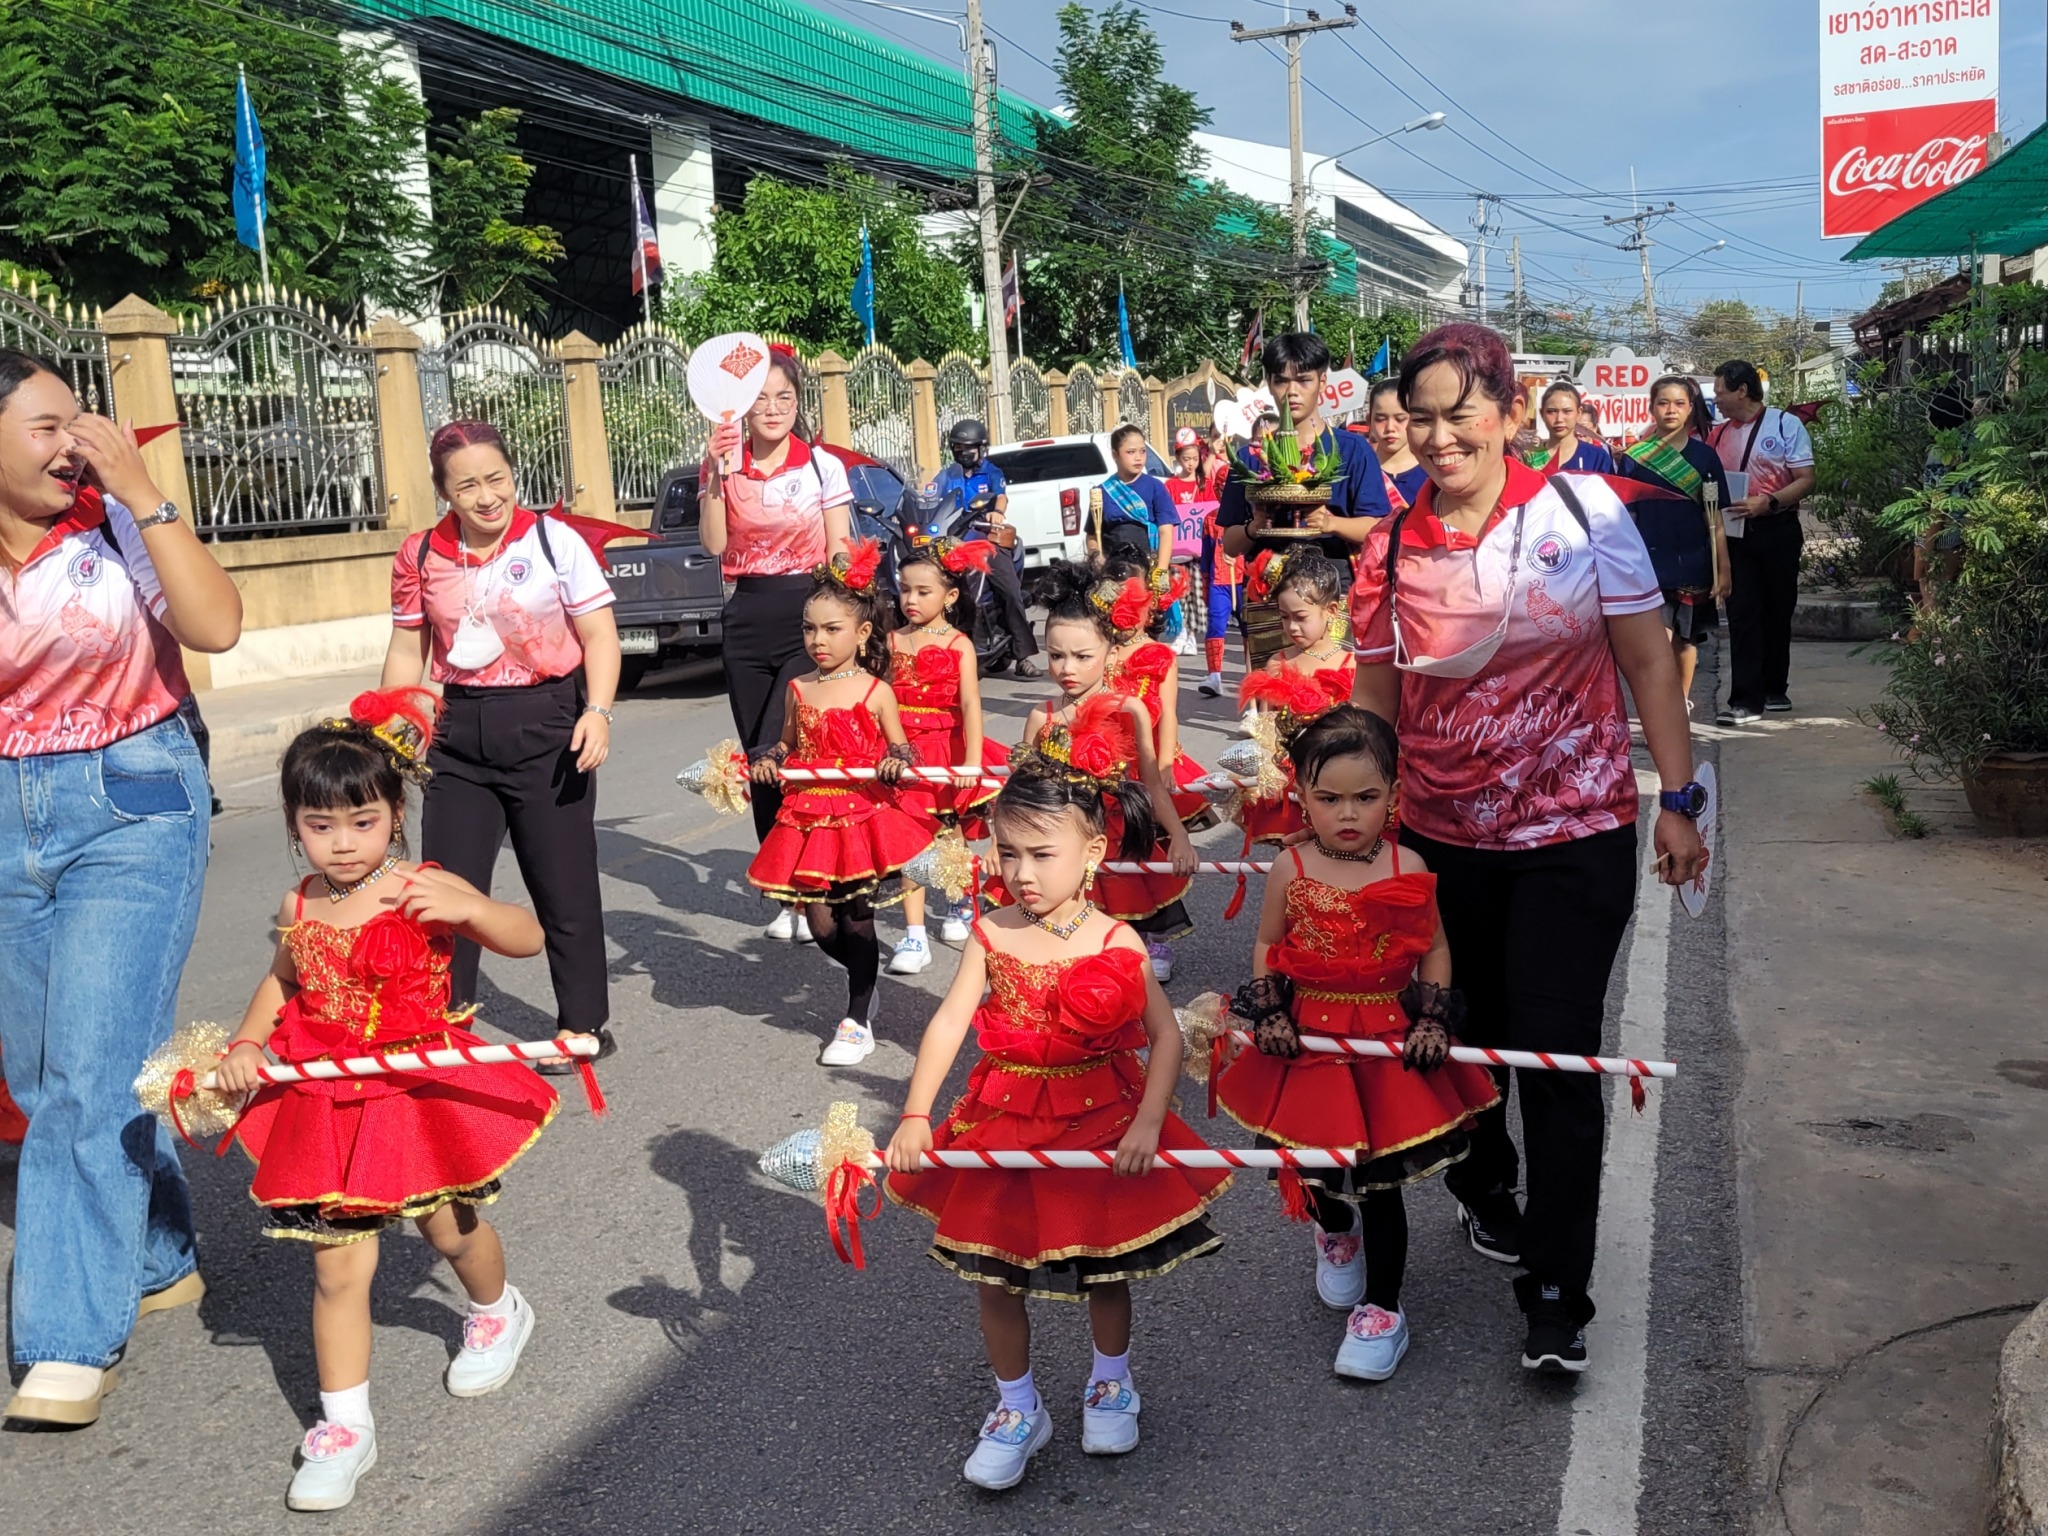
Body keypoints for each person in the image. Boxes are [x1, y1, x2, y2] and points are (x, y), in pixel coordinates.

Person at [1346, 323, 1706, 1374]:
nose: (1439, 437)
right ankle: (1480, 1180)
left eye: (1460, 414)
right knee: (1461, 1042)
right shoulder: (1389, 546)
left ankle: (1556, 1292)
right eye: (1420, 418)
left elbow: (1648, 664)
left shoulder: (1583, 516)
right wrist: (1348, 824)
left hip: (1573, 836)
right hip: (1439, 844)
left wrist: (1678, 799)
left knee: (1552, 1058)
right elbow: (1375, 696)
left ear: (1509, 413)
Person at [214, 691, 563, 1510]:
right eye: (320, 825)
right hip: (328, 1098)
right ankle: (345, 1427)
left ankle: (497, 1309)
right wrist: (247, 1043)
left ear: (396, 815)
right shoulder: (300, 903)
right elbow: (283, 982)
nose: (342, 842)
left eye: (362, 821)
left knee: (449, 1229)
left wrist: (473, 908)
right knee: (338, 1267)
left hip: (414, 1091)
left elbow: (527, 937)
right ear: (295, 825)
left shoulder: (420, 885)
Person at [884, 723, 1229, 1491]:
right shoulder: (990, 931)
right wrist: (913, 1113)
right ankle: (1017, 1407)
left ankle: (1111, 1382)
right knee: (993, 1270)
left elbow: (1164, 1038)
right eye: (1008, 853)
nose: (1022, 873)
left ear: (1093, 852)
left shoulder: (1116, 940)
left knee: (1102, 1265)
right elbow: (949, 1021)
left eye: (1042, 855)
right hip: (1002, 1119)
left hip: (1099, 1120)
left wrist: (1149, 1122)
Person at [0, 351, 242, 1427]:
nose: (73, 442)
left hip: (130, 800)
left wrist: (144, 495)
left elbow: (217, 627)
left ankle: (62, 1342)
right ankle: (155, 1253)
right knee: (42, 1071)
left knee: (91, 1074)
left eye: (77, 421)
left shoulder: (113, 523)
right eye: (45, 426)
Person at [1212, 706, 1498, 1381]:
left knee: (1381, 1180)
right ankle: (1335, 1232)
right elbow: (1269, 943)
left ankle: (1383, 1308)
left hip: (1384, 1038)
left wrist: (1432, 1017)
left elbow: (1435, 948)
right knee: (1313, 1163)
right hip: (1310, 1038)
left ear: (1395, 794)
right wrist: (1270, 1008)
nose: (1348, 814)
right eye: (1329, 798)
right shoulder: (1290, 866)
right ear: (1301, 795)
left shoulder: (1407, 862)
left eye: (1366, 798)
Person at [382, 420, 620, 1068]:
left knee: (564, 885)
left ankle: (582, 1024)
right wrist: (392, 724)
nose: (487, 497)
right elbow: (407, 650)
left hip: (549, 724)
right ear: (444, 492)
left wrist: (598, 712)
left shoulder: (553, 541)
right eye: (467, 487)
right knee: (445, 893)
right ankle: (445, 1027)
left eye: (497, 479)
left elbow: (599, 635)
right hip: (459, 733)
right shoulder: (420, 555)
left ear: (514, 475)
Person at [746, 543, 930, 1067]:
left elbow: (902, 747)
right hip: (809, 818)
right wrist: (770, 761)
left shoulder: (875, 691)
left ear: (862, 632)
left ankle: (856, 1020)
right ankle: (864, 985)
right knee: (822, 924)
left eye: (831, 629)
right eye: (810, 629)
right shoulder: (798, 688)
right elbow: (787, 743)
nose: (818, 640)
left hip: (860, 817)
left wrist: (894, 760)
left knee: (856, 918)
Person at [698, 348, 854, 938]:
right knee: (758, 762)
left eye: (783, 397)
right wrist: (713, 475)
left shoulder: (821, 466)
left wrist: (846, 615)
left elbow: (838, 547)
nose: (772, 409)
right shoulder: (724, 465)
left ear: (797, 403)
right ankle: (787, 892)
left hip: (807, 618)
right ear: (741, 408)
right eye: (760, 399)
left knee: (782, 750)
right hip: (745, 617)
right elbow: (715, 545)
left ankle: (817, 879)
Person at [1002, 560, 1198, 978]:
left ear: (1110, 653)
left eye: (1082, 656)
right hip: (1056, 847)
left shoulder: (1131, 710)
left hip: (1116, 840)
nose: (1067, 669)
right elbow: (1018, 796)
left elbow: (1150, 785)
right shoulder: (1041, 716)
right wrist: (996, 846)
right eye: (1056, 656)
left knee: (1119, 944)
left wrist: (1179, 836)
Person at [885, 538, 1008, 972]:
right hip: (904, 751)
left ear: (950, 596)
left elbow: (971, 704)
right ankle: (914, 934)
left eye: (923, 591)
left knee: (951, 833)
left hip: (948, 747)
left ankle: (959, 904)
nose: (911, 600)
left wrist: (971, 761)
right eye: (905, 589)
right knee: (909, 840)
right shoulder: (891, 640)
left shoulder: (959, 644)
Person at [1219, 334, 1394, 568]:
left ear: (1323, 382)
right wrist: (1254, 527)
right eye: (1281, 381)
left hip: (1335, 583)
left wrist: (1330, 524)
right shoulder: (1248, 457)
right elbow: (1230, 545)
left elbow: (1378, 528)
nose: (1292, 391)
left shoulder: (1353, 449)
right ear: (1269, 383)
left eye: (1304, 380)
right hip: (1266, 583)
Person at [1709, 359, 1815, 724]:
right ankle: (1745, 700)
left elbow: (1805, 479)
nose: (1716, 399)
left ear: (1742, 390)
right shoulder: (1718, 434)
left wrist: (1768, 501)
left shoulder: (1785, 425)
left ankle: (1774, 686)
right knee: (1742, 613)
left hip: (1777, 527)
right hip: (1735, 532)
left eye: (1720, 392)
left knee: (1778, 609)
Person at [1617, 376, 1733, 709]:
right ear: (1651, 408)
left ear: (1691, 409)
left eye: (1679, 403)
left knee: (1687, 637)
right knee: (1657, 640)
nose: (1671, 410)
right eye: (1663, 403)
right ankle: (1659, 704)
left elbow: (1714, 516)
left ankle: (1679, 703)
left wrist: (1723, 566)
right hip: (1648, 562)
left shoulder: (1705, 457)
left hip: (1693, 559)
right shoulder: (1634, 459)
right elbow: (1623, 519)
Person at [1232, 550, 1354, 847]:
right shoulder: (1278, 663)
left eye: (1301, 617)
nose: (1292, 627)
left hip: (1342, 778)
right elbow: (1267, 727)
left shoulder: (1351, 664)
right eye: (1284, 617)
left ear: (1331, 610)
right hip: (1291, 778)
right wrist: (1268, 770)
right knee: (1294, 853)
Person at [923, 417, 1040, 678]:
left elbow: (1001, 497)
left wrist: (997, 513)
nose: (963, 452)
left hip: (984, 540)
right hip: (950, 544)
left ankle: (1023, 657)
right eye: (958, 447)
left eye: (969, 448)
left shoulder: (992, 472)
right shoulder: (946, 475)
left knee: (1008, 589)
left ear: (981, 448)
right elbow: (930, 499)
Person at [1096, 424, 1175, 573]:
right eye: (1131, 452)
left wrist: (1161, 571)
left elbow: (1166, 532)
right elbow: (1093, 535)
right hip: (1113, 570)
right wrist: (1097, 558)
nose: (1138, 457)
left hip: (1148, 566)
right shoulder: (1102, 492)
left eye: (1142, 451)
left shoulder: (1155, 487)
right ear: (1115, 454)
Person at [1365, 379, 1427, 511]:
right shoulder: (1359, 472)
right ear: (1369, 421)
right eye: (1380, 419)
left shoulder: (1433, 472)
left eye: (1400, 419)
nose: (1390, 428)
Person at [1529, 383, 1615, 474]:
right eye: (1551, 411)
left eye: (1567, 411)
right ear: (1542, 413)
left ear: (1579, 413)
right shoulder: (1530, 458)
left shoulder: (1597, 457)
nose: (1559, 419)